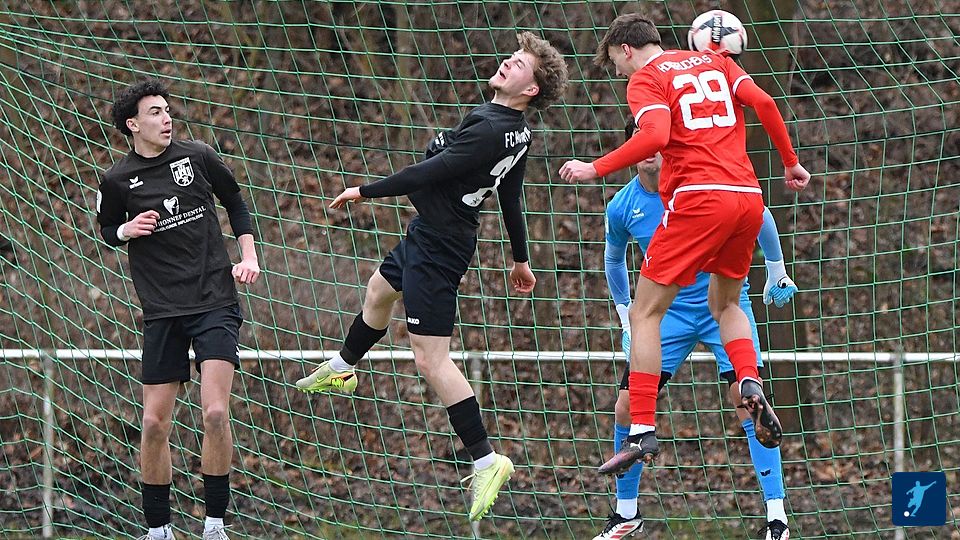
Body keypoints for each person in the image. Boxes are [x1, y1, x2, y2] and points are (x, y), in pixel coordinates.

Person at [294, 32, 568, 521]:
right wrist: (520, 258)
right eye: (510, 56)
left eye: (520, 64)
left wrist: (364, 190)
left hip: (440, 246)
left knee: (431, 360)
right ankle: (343, 366)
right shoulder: (514, 130)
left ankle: (486, 459)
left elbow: (429, 173)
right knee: (378, 291)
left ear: (531, 90)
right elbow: (509, 196)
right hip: (432, 233)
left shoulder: (491, 129)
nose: (508, 63)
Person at [559, 13, 810, 475]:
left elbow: (655, 136)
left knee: (644, 313)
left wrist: (595, 167)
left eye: (615, 62)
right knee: (727, 303)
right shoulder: (716, 61)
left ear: (626, 50)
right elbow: (766, 102)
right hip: (748, 197)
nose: (618, 72)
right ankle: (749, 381)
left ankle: (641, 430)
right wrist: (790, 162)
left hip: (698, 200)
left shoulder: (646, 79)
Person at [594, 123, 794, 540]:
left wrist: (776, 268)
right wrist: (626, 315)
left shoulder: (695, 182)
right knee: (626, 406)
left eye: (654, 141)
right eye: (638, 140)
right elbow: (613, 260)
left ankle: (777, 519)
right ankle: (626, 515)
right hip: (666, 312)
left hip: (722, 303)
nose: (648, 149)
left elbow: (758, 211)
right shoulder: (622, 206)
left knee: (746, 400)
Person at [97, 79, 260, 540]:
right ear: (133, 125)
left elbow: (236, 202)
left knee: (215, 413)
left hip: (214, 301)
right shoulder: (116, 180)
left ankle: (214, 525)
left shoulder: (199, 156)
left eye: (167, 110)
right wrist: (127, 230)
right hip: (162, 309)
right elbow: (107, 230)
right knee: (153, 423)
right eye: (155, 112)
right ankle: (159, 530)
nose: (166, 118)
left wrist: (248, 256)